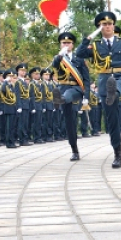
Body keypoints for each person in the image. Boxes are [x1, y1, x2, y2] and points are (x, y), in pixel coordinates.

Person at [76, 12, 121, 168]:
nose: (108, 26)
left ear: (113, 25)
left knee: (117, 87)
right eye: (104, 24)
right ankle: (118, 153)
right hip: (104, 80)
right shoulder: (96, 45)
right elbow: (79, 53)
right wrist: (89, 38)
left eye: (110, 23)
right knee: (112, 122)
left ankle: (115, 92)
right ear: (100, 27)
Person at [52, 32, 92, 161]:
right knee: (70, 123)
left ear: (72, 45)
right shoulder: (58, 58)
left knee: (67, 95)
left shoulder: (79, 59)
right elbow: (55, 66)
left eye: (68, 43)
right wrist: (60, 55)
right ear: (60, 44)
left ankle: (61, 99)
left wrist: (86, 96)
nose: (66, 45)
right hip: (63, 88)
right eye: (63, 43)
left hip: (76, 89)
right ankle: (74, 150)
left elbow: (86, 78)